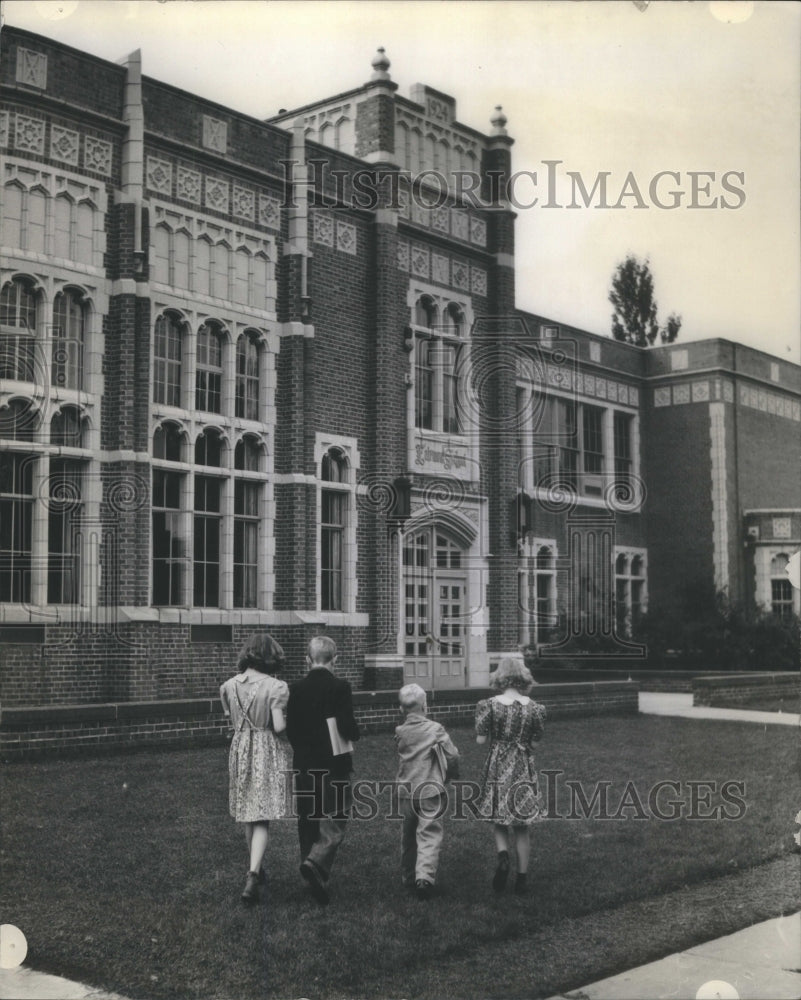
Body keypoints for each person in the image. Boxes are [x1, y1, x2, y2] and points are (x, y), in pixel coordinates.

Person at [285, 636, 360, 905]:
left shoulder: (295, 688)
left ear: (308, 659)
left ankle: (309, 869)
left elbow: (290, 729)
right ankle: (316, 861)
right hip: (334, 764)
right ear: (335, 659)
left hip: (304, 763)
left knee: (307, 817)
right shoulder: (340, 687)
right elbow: (347, 726)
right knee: (336, 814)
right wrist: (356, 733)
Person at [219, 633, 292, 905]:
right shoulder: (276, 687)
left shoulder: (227, 686)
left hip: (240, 748)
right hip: (264, 746)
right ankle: (252, 874)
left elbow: (231, 720)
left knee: (248, 811)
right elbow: (280, 726)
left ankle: (257, 870)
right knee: (261, 814)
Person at [475, 657, 546, 895]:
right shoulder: (534, 708)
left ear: (500, 677)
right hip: (522, 765)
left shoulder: (490, 704)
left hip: (499, 763)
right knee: (522, 825)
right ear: (523, 677)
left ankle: (503, 855)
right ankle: (522, 879)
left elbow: (481, 739)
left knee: (499, 817)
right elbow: (535, 744)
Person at [394, 683, 460, 899]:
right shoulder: (435, 729)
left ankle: (407, 876)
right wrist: (450, 774)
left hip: (406, 791)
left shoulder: (400, 732)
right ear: (425, 705)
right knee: (429, 833)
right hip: (431, 790)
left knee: (408, 834)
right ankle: (424, 878)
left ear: (402, 709)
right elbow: (452, 755)